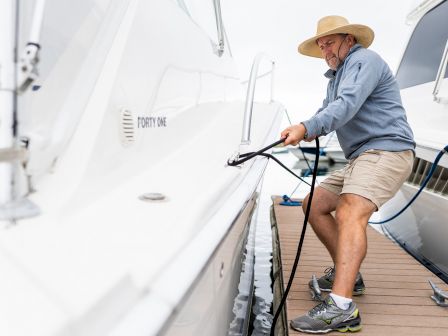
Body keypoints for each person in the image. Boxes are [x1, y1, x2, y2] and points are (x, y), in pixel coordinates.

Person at [281, 15, 415, 333]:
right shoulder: (335, 77)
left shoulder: (363, 60)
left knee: (350, 209)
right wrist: (304, 128)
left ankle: (342, 307)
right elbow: (327, 110)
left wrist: (307, 127)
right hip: (362, 157)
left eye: (330, 41)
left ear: (349, 40)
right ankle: (350, 277)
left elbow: (347, 105)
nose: (325, 48)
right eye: (321, 44)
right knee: (313, 203)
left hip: (388, 150)